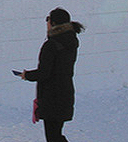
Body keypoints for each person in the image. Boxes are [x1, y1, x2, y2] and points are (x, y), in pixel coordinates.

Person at [17, 8, 85, 142]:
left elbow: (44, 73)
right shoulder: (71, 41)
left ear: (53, 23)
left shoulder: (51, 45)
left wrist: (27, 75)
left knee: (53, 137)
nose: (46, 23)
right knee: (56, 135)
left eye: (48, 19)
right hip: (65, 93)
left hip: (52, 97)